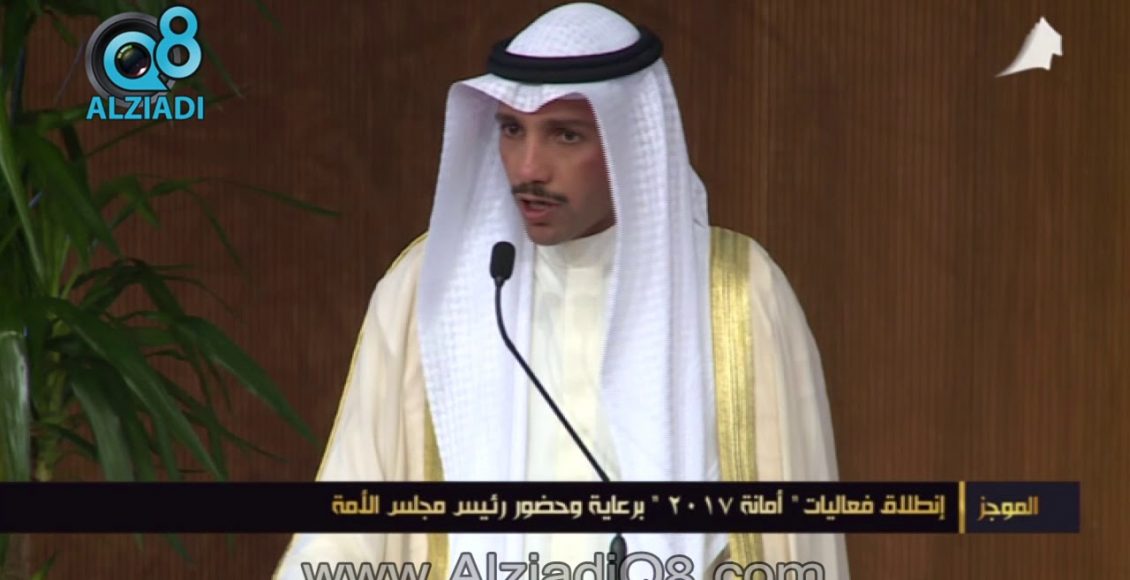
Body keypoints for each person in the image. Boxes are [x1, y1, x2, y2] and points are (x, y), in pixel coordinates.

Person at [274, 3, 849, 579]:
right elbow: (346, 529)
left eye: (565, 135)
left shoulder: (735, 293)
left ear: (632, 142)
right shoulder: (431, 286)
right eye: (511, 130)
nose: (529, 168)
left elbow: (792, 538)